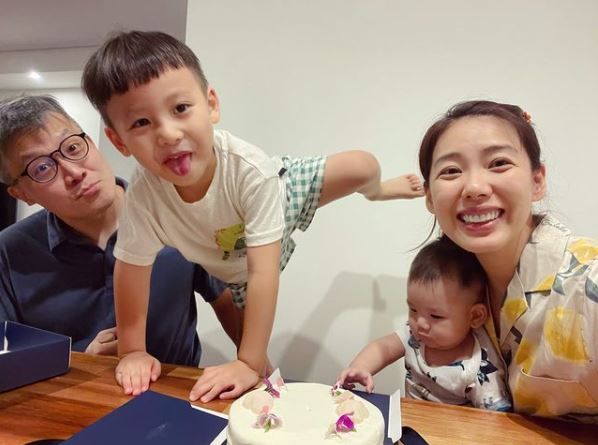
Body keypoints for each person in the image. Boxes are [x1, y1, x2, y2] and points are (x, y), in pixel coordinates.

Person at [80, 30, 424, 403]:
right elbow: (132, 271)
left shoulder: (250, 170)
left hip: (279, 200)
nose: (168, 133)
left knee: (361, 165)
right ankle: (274, 403)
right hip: (235, 267)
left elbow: (265, 272)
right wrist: (132, 350)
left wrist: (245, 360)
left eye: (180, 109)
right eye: (141, 123)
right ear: (119, 141)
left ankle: (379, 191)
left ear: (211, 105)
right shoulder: (143, 196)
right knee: (256, 363)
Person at [0, 94, 238, 367]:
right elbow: (7, 364)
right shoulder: (8, 252)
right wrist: (77, 365)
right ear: (21, 194)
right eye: (42, 168)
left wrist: (254, 368)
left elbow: (228, 301)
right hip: (70, 393)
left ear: (91, 142)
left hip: (175, 389)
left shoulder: (178, 213)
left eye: (73, 147)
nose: (74, 172)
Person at [418, 99, 598, 421]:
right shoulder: (447, 285)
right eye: (451, 171)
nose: (474, 188)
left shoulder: (587, 284)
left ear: (537, 181)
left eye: (499, 163)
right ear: (430, 197)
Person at [337, 236, 511, 411]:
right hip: (409, 420)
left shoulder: (481, 369)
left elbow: (494, 421)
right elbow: (383, 348)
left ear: (475, 316)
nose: (420, 323)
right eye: (413, 309)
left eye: (435, 316)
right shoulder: (414, 336)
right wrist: (360, 368)